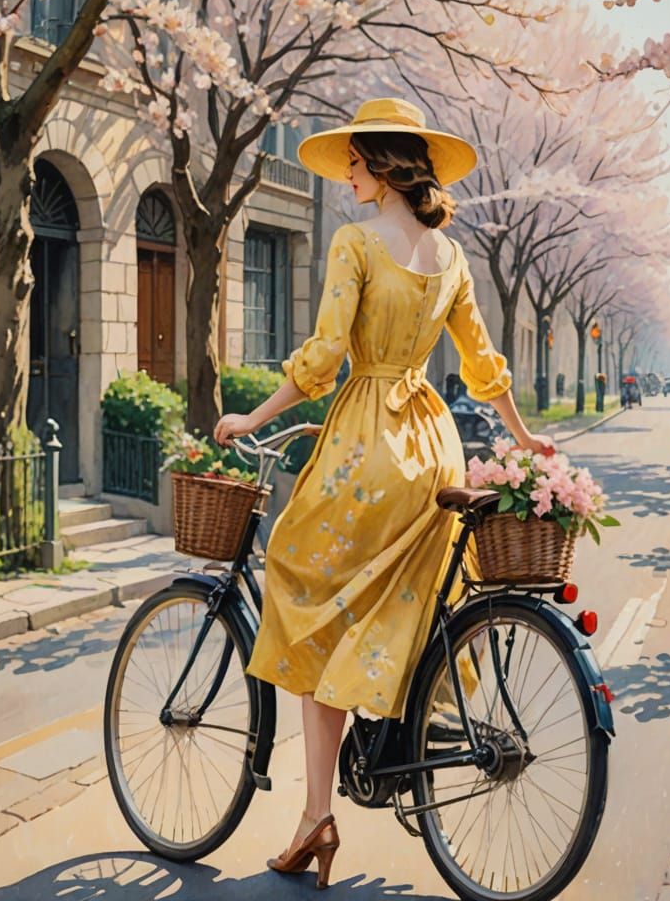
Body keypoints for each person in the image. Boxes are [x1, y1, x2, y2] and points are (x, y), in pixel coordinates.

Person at [213, 98, 556, 888]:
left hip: (365, 442)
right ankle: (388, 740)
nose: (346, 178)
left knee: (303, 584)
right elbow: (481, 362)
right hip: (434, 449)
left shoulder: (357, 243)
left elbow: (326, 354)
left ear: (383, 166)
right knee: (397, 598)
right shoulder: (451, 256)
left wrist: (253, 414)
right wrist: (521, 436)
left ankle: (314, 815)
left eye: (354, 165)